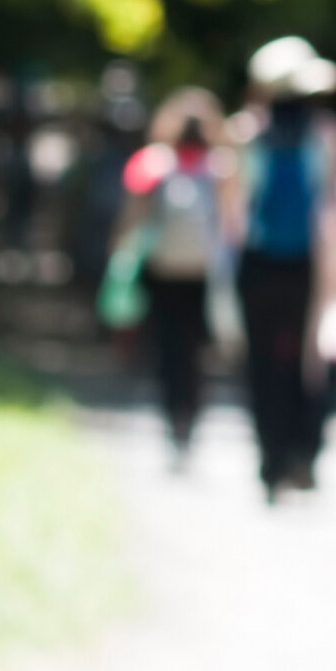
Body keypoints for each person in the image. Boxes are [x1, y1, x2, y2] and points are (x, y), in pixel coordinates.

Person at [234, 37, 336, 501]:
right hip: (313, 264)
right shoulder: (329, 134)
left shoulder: (245, 132)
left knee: (263, 363)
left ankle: (272, 461)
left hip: (259, 264)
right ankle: (302, 453)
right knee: (313, 364)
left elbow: (233, 209)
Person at [115, 87, 235, 460]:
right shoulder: (223, 167)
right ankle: (190, 419)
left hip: (162, 268)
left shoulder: (152, 163)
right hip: (203, 272)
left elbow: (132, 216)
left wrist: (119, 254)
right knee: (196, 351)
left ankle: (174, 420)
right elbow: (232, 223)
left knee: (168, 349)